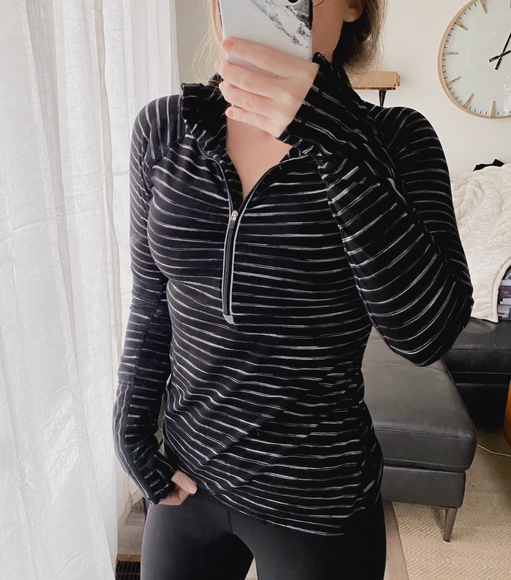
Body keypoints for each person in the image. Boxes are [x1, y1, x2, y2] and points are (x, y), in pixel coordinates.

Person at [113, 0, 473, 578]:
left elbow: (426, 335)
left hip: (318, 499)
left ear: (353, 5)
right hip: (188, 482)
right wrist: (130, 428)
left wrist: (332, 134)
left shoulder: (397, 139)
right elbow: (152, 298)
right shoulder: (164, 128)